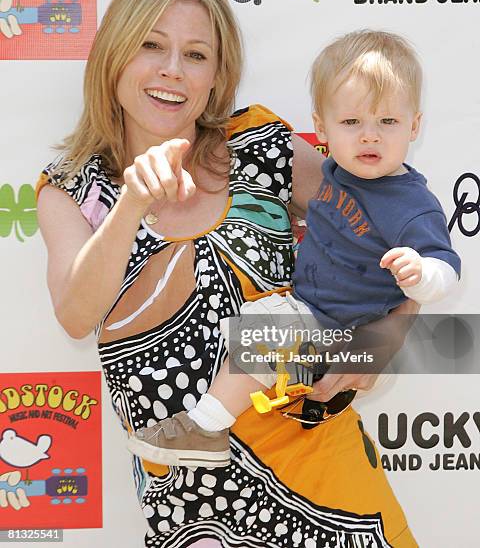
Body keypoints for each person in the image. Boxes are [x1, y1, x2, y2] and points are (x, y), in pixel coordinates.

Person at [37, 0, 419, 548]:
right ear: (113, 55)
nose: (172, 70)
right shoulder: (72, 189)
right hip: (191, 504)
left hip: (327, 473)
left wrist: (390, 336)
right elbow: (75, 313)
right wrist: (131, 204)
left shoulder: (261, 145)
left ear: (217, 75)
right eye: (151, 45)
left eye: (196, 55)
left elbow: (396, 220)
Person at [127, 30, 461, 467]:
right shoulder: (338, 174)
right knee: (255, 330)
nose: (370, 138)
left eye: (388, 123)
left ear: (414, 125)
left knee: (259, 332)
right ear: (321, 127)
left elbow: (447, 267)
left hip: (344, 329)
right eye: (351, 123)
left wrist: (422, 275)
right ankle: (295, 407)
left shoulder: (409, 203)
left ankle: (204, 428)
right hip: (315, 314)